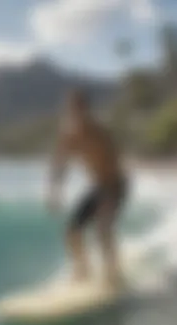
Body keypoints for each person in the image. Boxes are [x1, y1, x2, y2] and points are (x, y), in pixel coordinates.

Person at [47, 88, 129, 288]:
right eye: (72, 109)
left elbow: (115, 163)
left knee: (102, 229)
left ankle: (113, 273)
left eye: (79, 109)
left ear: (86, 109)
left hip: (115, 185)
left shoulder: (99, 132)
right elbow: (60, 163)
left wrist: (109, 201)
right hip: (98, 186)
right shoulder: (69, 136)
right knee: (72, 231)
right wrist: (55, 191)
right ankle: (83, 270)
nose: (75, 113)